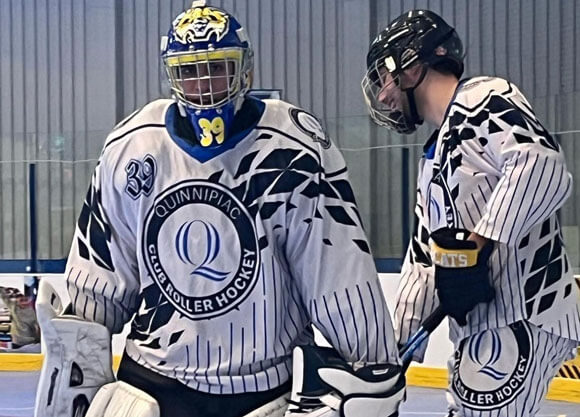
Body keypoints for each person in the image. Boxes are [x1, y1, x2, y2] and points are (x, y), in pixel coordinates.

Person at [34, 2, 405, 417]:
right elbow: (99, 275)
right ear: (171, 74)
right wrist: (74, 374)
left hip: (262, 388)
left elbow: (340, 274)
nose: (204, 85)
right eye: (189, 71)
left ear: (244, 69)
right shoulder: (132, 145)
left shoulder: (293, 147)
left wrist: (370, 365)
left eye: (216, 67)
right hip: (153, 382)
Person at [362, 9, 580, 417]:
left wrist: (479, 244)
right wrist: (392, 351)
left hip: (523, 313)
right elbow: (426, 263)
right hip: (482, 330)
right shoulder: (433, 162)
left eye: (383, 79)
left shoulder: (483, 99)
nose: (381, 96)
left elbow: (542, 165)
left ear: (409, 68)